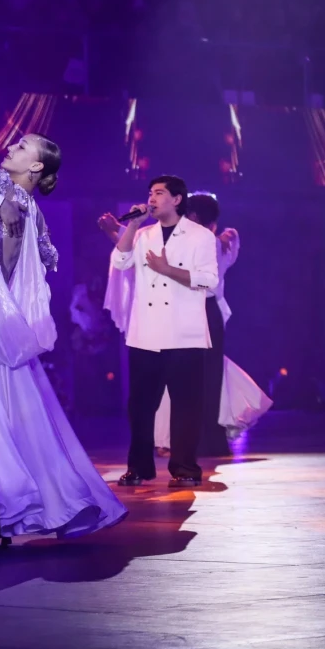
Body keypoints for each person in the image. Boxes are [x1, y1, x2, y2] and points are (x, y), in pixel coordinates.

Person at [0, 134, 127, 547]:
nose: (12, 148)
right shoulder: (16, 200)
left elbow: (1, 273)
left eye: (22, 147)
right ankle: (0, 511)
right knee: (11, 416)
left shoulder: (14, 203)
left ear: (37, 166)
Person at [100, 193, 271, 456]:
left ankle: (188, 440)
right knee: (194, 378)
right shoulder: (215, 243)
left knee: (194, 379)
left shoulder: (205, 244)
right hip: (196, 313)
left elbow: (149, 252)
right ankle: (190, 439)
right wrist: (119, 231)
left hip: (197, 312)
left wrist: (118, 231)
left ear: (193, 217)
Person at [107, 176, 219, 489]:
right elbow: (120, 261)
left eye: (159, 193)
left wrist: (168, 269)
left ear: (177, 199)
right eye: (150, 193)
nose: (151, 199)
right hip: (146, 333)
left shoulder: (200, 236)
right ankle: (138, 467)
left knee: (186, 405)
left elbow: (210, 281)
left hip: (185, 333)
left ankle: (185, 468)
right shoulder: (143, 234)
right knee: (140, 406)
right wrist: (132, 225)